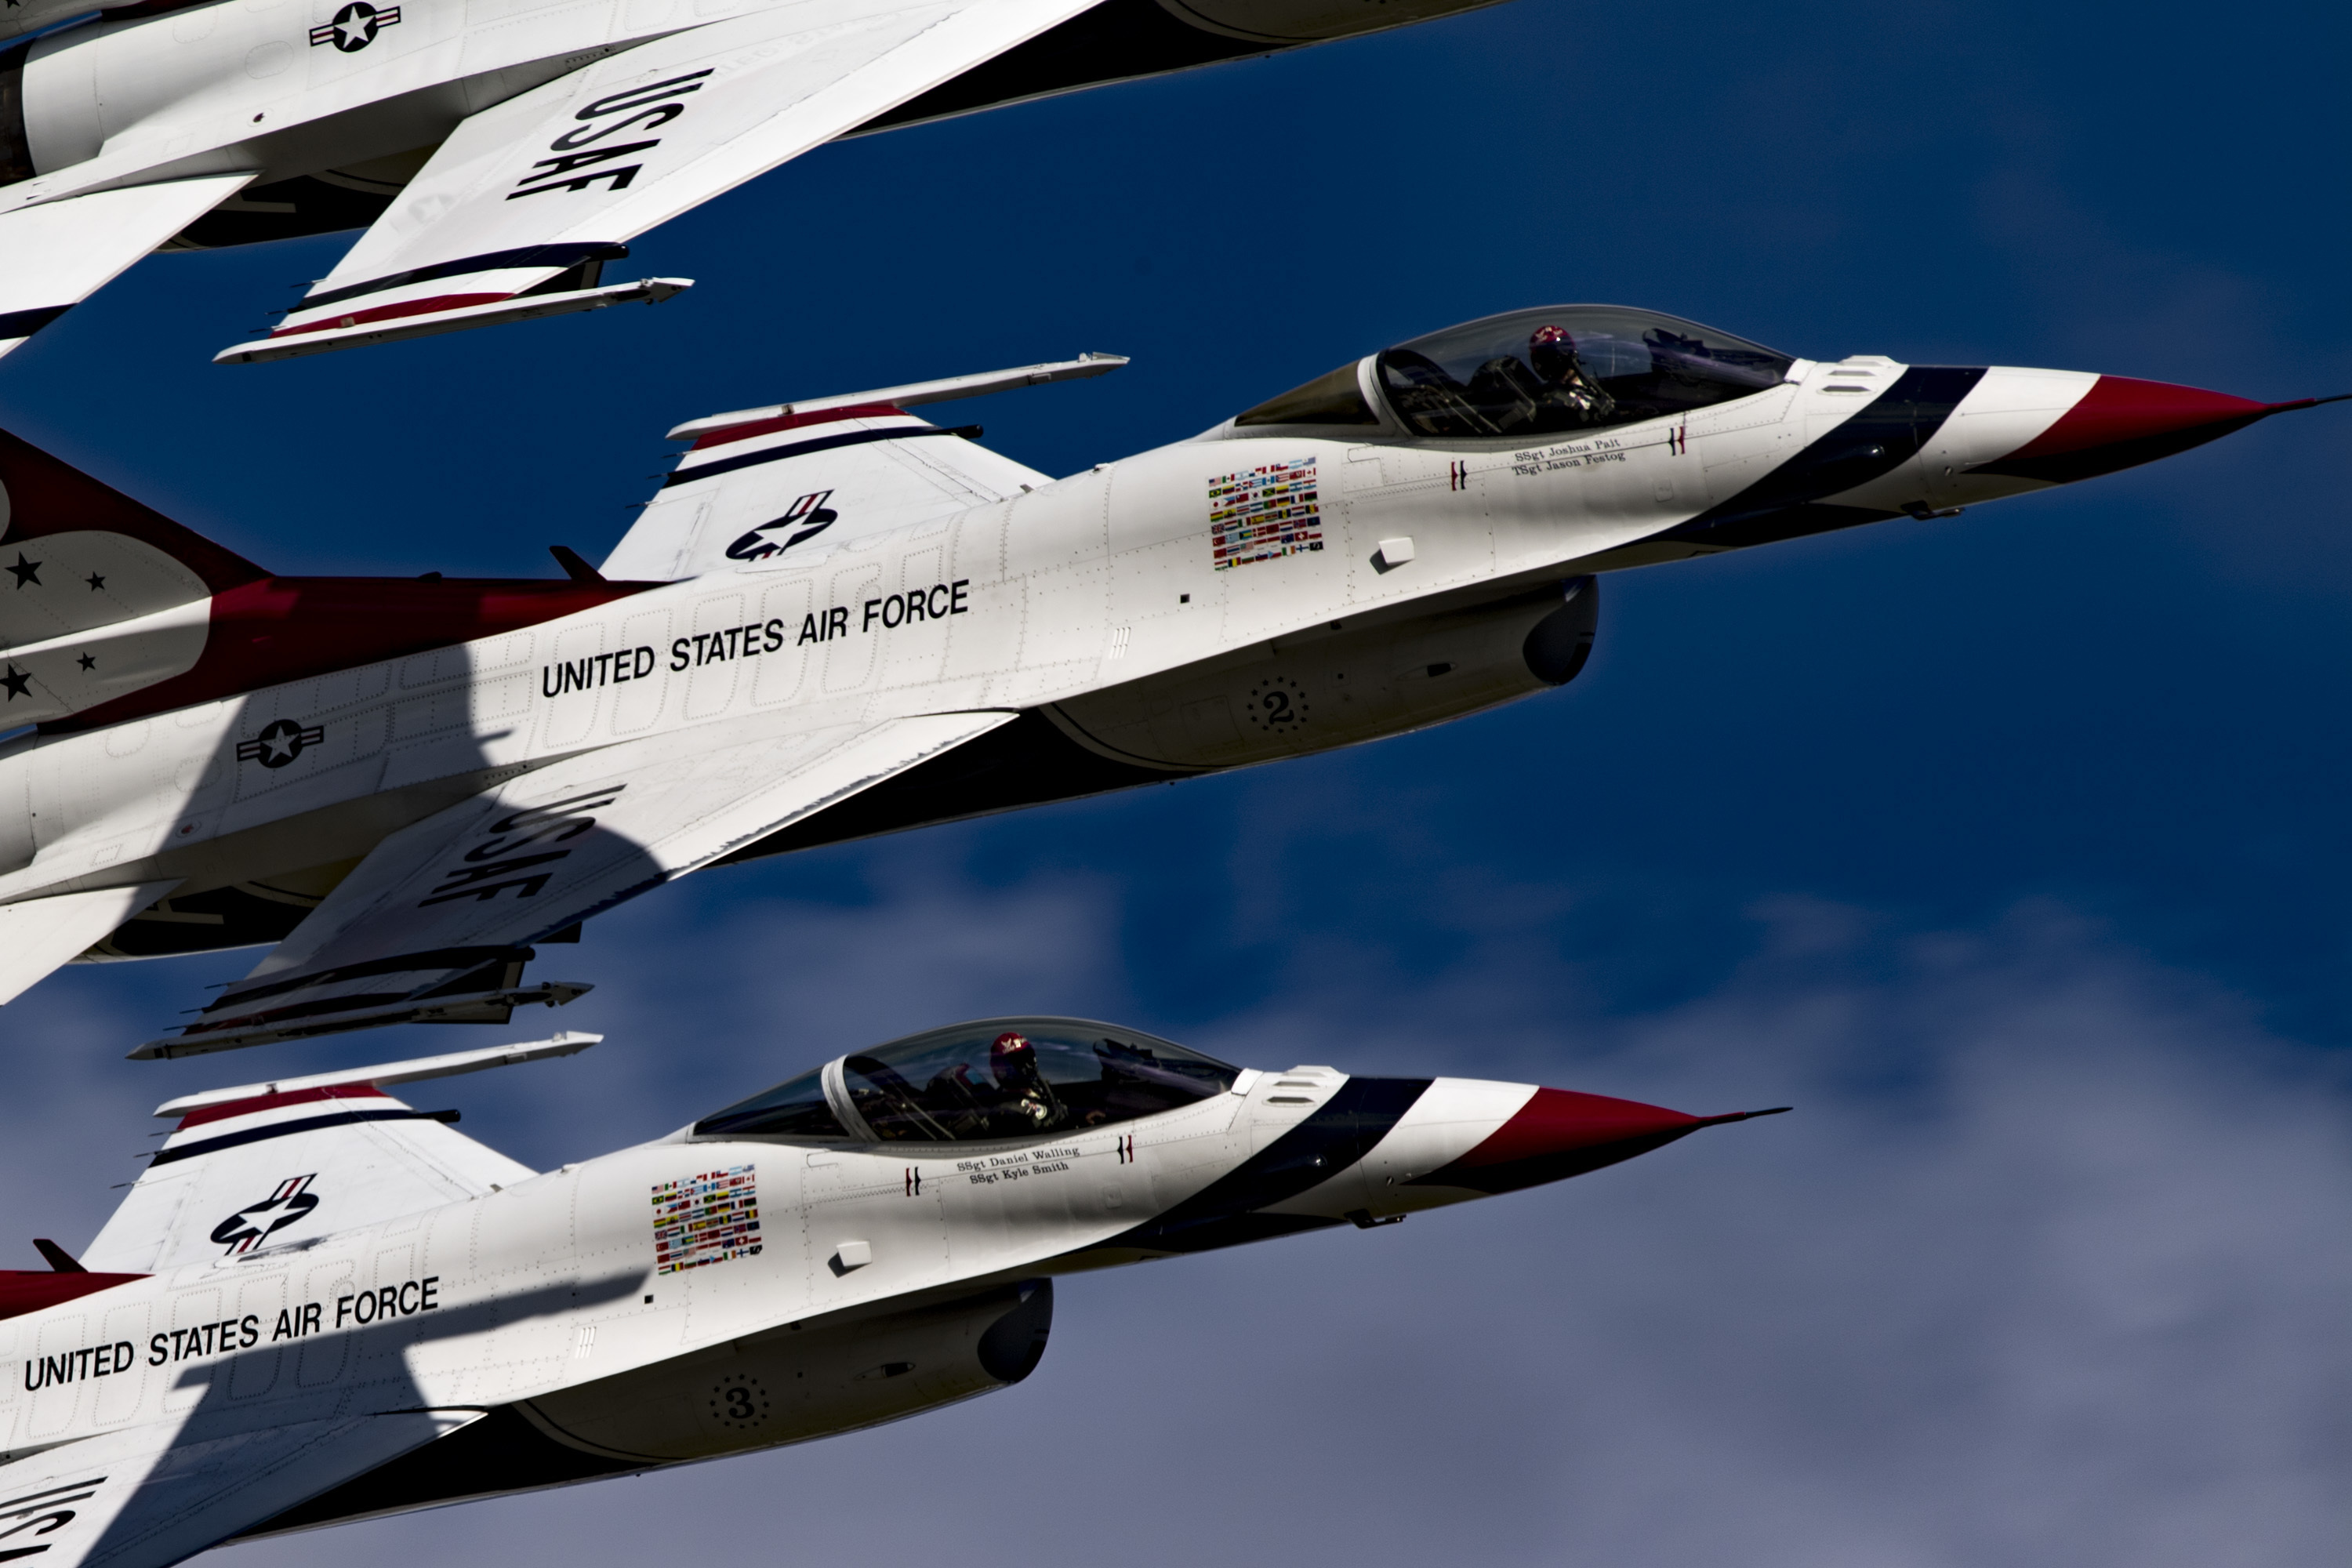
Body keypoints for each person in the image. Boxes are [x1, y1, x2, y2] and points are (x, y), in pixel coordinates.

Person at [1528, 324, 1617, 426]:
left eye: (1564, 349)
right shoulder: (1549, 407)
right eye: (1549, 356)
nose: (1560, 357)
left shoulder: (1600, 386)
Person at [991, 1032, 1064, 1131]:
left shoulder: (1038, 1088)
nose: (1028, 1066)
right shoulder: (1009, 1111)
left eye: (1028, 1058)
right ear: (1001, 1070)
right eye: (1019, 1062)